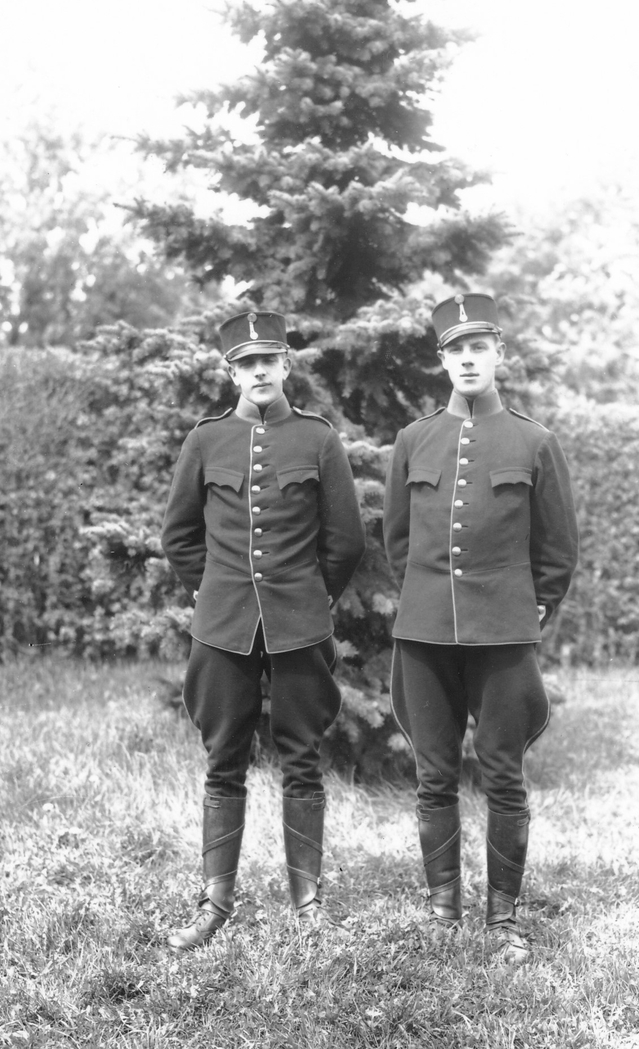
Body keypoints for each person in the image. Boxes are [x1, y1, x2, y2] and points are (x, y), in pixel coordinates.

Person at [382, 293, 578, 965]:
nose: (467, 360)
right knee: (432, 775)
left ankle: (502, 919)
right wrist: (429, 603)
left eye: (478, 348)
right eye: (454, 350)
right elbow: (397, 541)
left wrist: (526, 612)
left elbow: (555, 552)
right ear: (441, 360)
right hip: (425, 634)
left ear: (496, 354)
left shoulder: (533, 441)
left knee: (503, 777)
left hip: (503, 637)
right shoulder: (414, 440)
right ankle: (443, 909)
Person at [161, 309, 366, 950]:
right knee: (224, 762)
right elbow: (180, 536)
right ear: (231, 372)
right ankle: (215, 901)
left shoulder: (317, 440)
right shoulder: (206, 441)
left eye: (268, 361)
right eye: (245, 363)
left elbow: (345, 541)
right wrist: (213, 590)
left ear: (285, 365)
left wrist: (310, 596)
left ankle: (306, 900)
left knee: (303, 759)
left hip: (299, 622)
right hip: (223, 626)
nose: (258, 372)